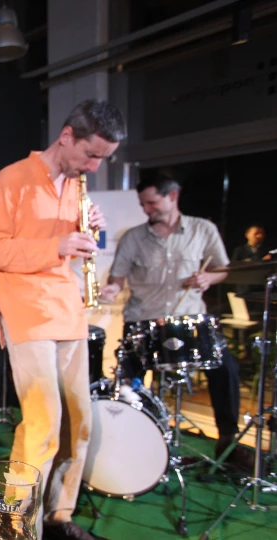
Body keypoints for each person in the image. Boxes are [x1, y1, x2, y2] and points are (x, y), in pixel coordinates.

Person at [0, 99, 126, 540]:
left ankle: (60, 516)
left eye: (104, 158)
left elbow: (70, 246)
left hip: (68, 311)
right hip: (27, 312)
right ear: (66, 136)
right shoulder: (14, 178)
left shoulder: (76, 183)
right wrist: (57, 246)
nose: (95, 166)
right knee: (43, 424)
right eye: (91, 154)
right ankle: (19, 528)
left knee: (80, 422)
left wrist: (89, 232)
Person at [102, 171, 253, 471]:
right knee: (127, 377)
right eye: (143, 204)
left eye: (151, 203)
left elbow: (222, 268)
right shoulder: (133, 238)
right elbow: (117, 276)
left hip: (191, 320)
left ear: (172, 196)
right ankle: (127, 438)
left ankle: (227, 439)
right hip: (144, 321)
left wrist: (210, 277)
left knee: (226, 369)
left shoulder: (203, 229)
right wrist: (112, 288)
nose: (146, 210)